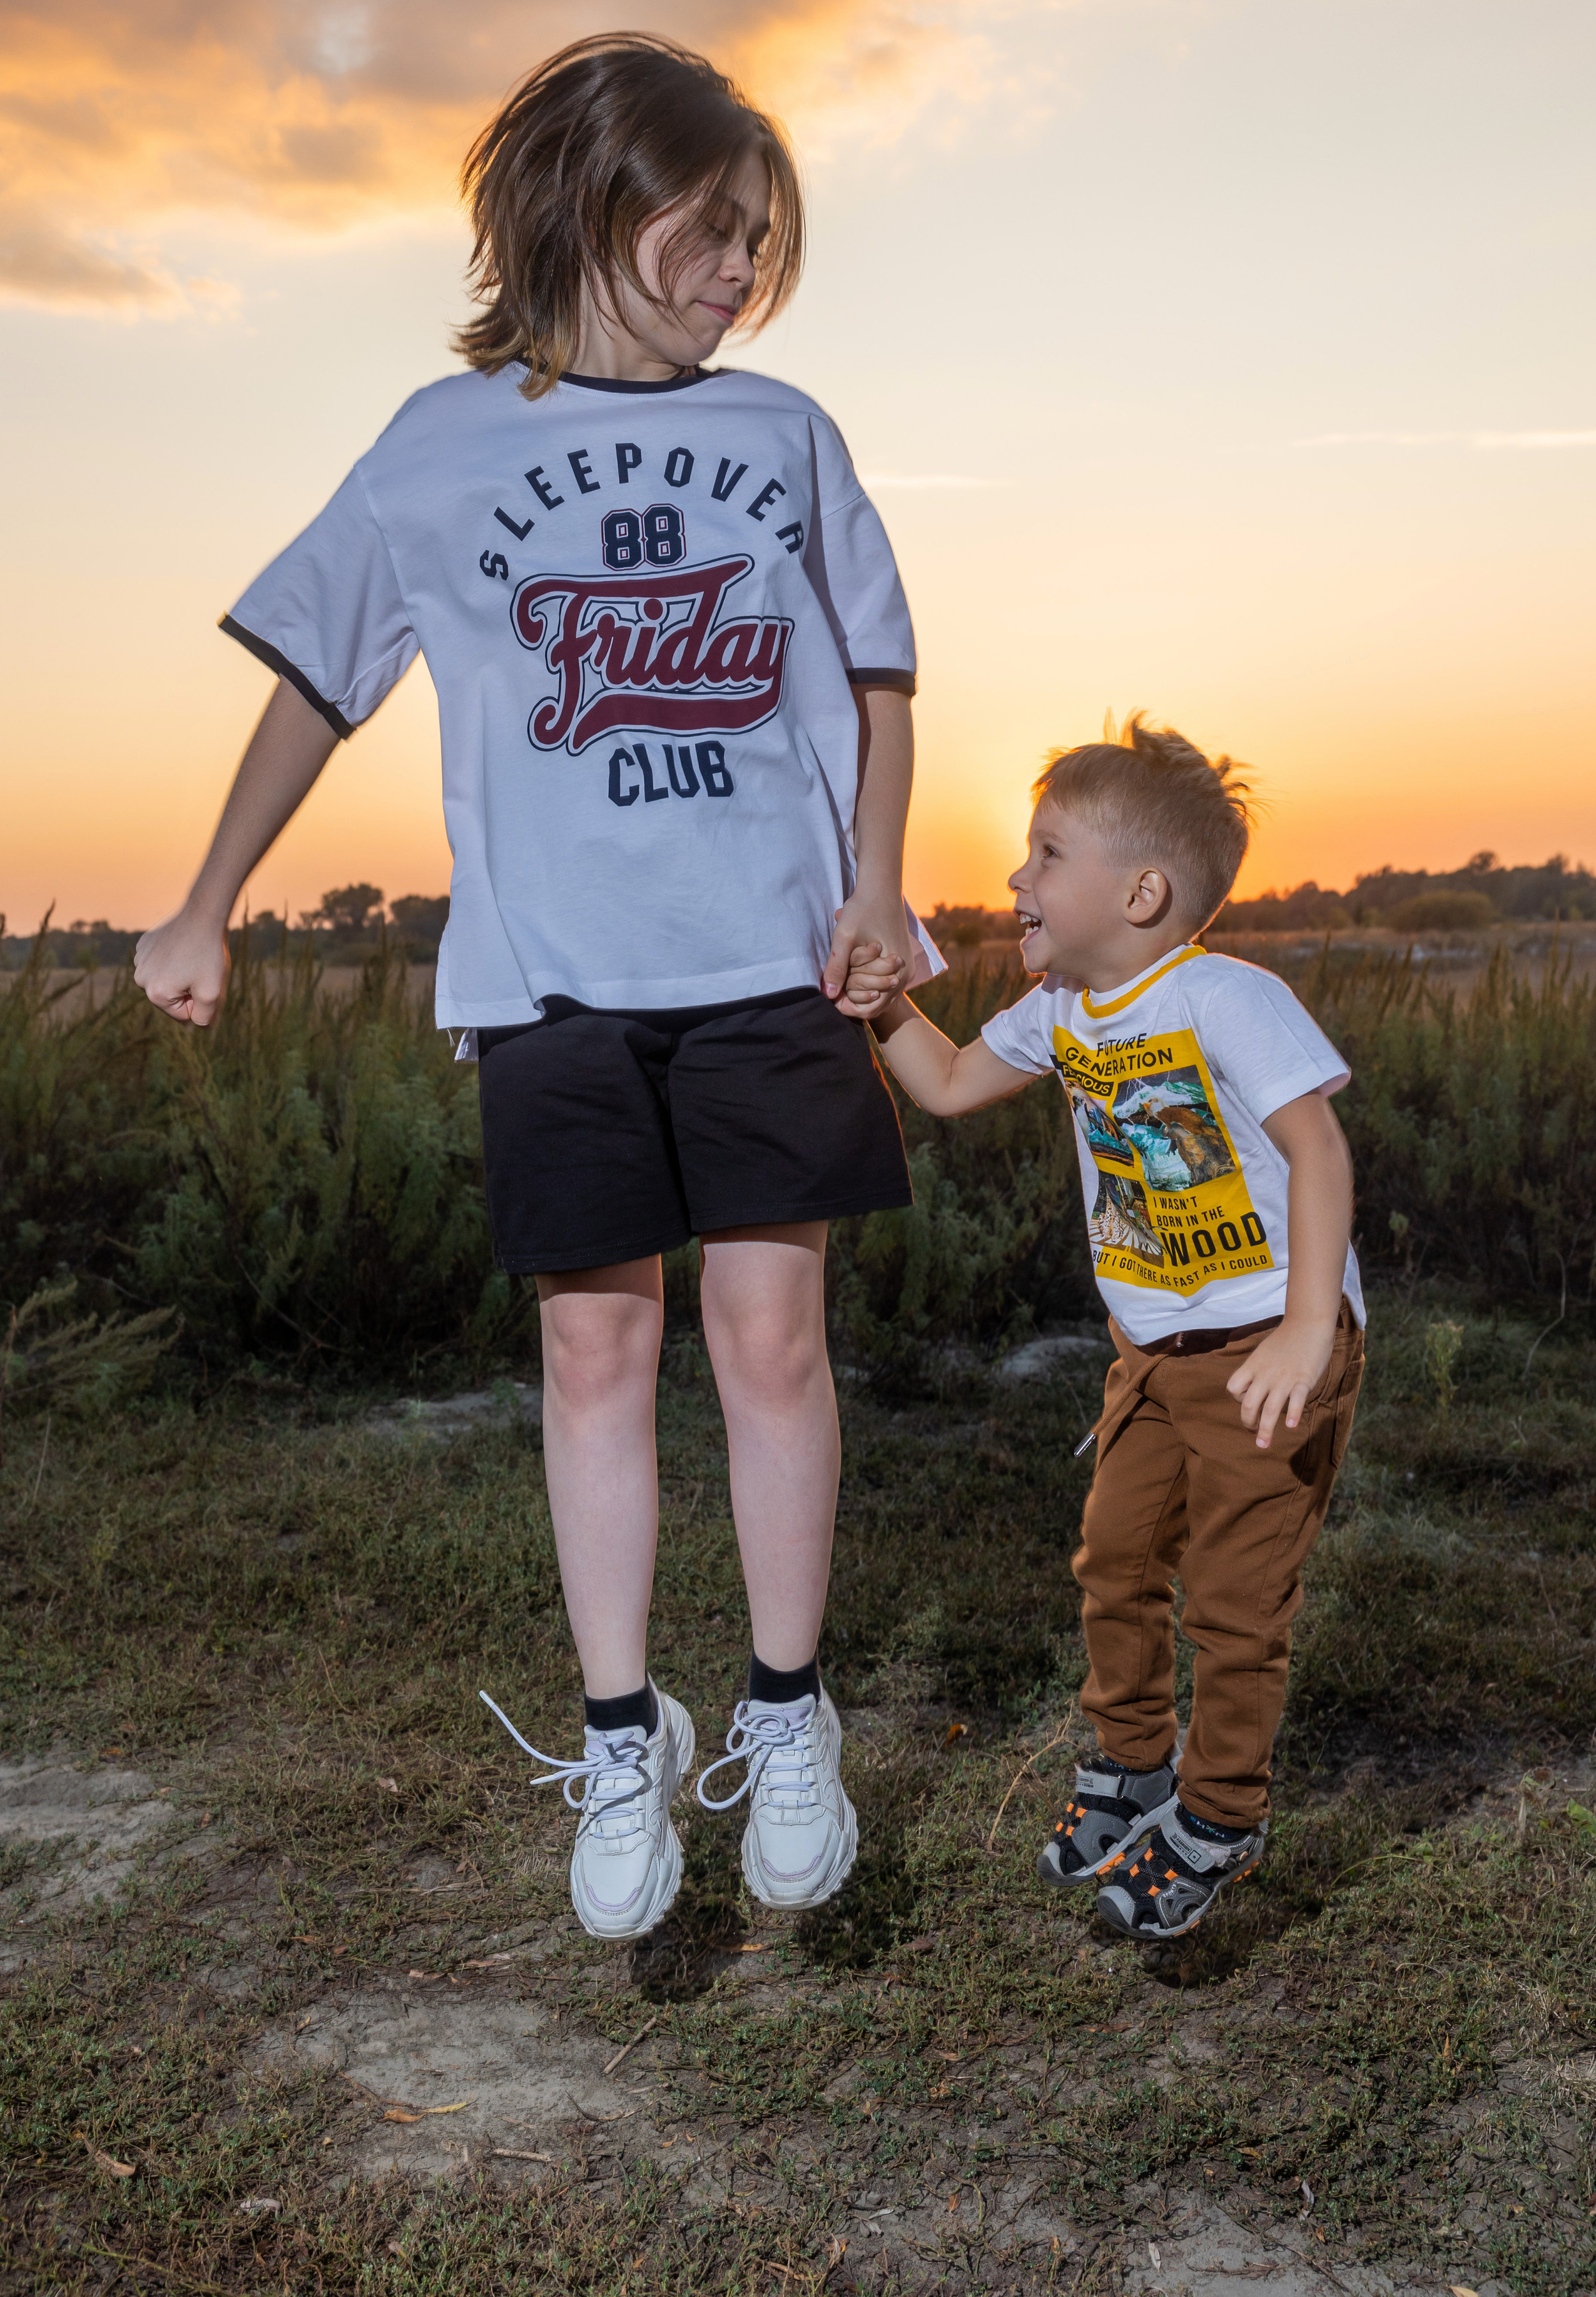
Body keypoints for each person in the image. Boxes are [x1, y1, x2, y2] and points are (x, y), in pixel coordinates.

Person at [133, 34, 941, 1943]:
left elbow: (885, 683)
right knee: (595, 1351)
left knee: (769, 1344)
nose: (743, 269)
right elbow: (318, 677)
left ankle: (784, 1713)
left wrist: (881, 888)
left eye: (763, 242)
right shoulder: (436, 445)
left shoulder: (785, 438)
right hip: (554, 987)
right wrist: (202, 900)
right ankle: (617, 1736)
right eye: (715, 227)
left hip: (767, 967)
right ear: (589, 196)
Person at [850, 716, 1363, 1942]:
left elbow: (1315, 1149)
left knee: (1235, 1609)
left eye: (1043, 853)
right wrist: (881, 1006)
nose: (1016, 877)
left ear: (1139, 892)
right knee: (1114, 1568)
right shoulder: (1063, 1008)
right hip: (1150, 1364)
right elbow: (950, 1083)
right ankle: (1128, 1771)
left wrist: (1303, 1331)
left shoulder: (1224, 996)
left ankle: (1214, 1817)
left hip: (1263, 1355)